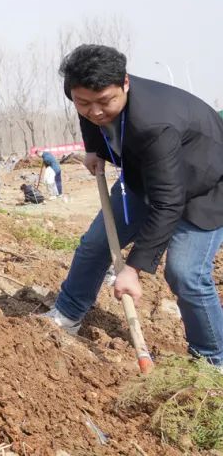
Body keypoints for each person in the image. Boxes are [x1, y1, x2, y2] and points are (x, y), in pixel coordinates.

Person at [41, 45, 223, 367]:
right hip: (145, 177)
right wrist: (95, 148)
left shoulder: (156, 124)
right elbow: (90, 117)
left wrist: (132, 269)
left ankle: (212, 359)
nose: (95, 111)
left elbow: (168, 203)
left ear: (125, 83)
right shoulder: (86, 96)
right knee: (96, 243)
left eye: (105, 102)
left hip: (205, 187)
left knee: (185, 274)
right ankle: (67, 314)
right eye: (83, 102)